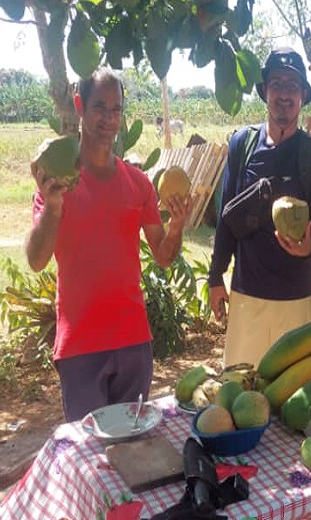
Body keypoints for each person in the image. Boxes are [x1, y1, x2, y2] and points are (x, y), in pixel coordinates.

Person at [25, 67, 193, 422]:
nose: (109, 119)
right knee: (88, 449)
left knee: (132, 446)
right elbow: (36, 259)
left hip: (133, 343)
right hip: (80, 348)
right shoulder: (59, 183)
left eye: (116, 110)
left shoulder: (139, 184)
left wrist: (177, 225)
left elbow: (163, 256)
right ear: (79, 106)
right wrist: (52, 207)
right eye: (100, 108)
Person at [208, 48, 311, 367]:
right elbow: (226, 217)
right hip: (247, 296)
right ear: (265, 91)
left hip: (295, 298)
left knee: (291, 392)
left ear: (303, 95)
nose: (284, 94)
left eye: (292, 86)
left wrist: (308, 248)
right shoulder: (242, 145)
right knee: (241, 386)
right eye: (277, 84)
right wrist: (215, 276)